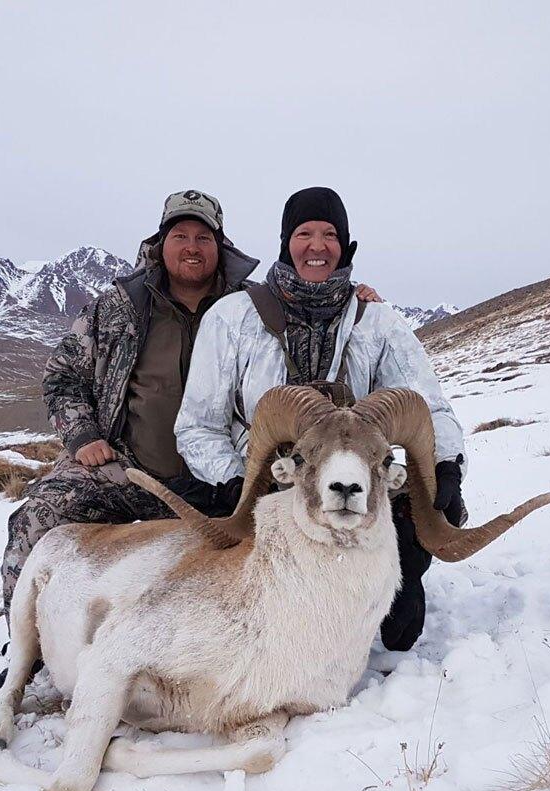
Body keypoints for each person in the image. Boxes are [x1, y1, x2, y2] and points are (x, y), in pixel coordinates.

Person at [173, 187, 467, 651]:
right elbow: (197, 426)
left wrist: (447, 465)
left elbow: (428, 407)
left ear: (345, 245)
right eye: (304, 233)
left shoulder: (379, 322)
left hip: (357, 477)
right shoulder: (232, 318)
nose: (317, 245)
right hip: (271, 483)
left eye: (330, 234)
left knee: (401, 628)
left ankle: (404, 568)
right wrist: (235, 480)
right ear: (286, 242)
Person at [0, 190, 259, 628]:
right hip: (129, 469)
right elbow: (63, 375)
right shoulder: (117, 306)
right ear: (160, 243)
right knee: (37, 518)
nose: (191, 248)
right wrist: (83, 436)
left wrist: (358, 299)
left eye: (203, 237)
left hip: (226, 479)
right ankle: (28, 646)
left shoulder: (253, 308)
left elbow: (314, 324)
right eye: (180, 235)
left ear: (221, 247)